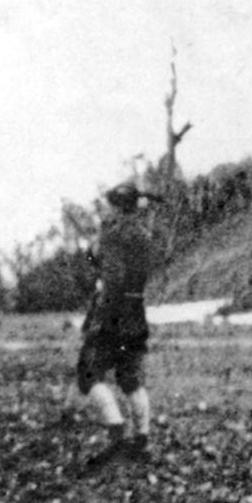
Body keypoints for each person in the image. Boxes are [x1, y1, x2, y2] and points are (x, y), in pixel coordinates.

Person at [77, 182, 157, 465]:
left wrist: (101, 311)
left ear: (117, 208)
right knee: (131, 379)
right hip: (136, 310)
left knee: (89, 373)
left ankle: (117, 435)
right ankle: (142, 439)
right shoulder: (144, 236)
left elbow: (111, 276)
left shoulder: (112, 237)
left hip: (113, 312)